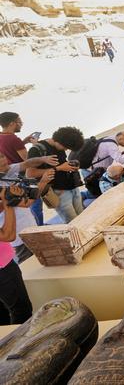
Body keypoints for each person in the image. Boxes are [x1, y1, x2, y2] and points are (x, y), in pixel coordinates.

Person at [0, 153, 57, 263]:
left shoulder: (7, 170)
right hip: (19, 238)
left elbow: (27, 163)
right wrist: (43, 181)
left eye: (2, 156)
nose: (4, 160)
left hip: (30, 228)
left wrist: (43, 159)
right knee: (30, 267)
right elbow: (27, 203)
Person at [26, 127, 85, 223]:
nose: (66, 150)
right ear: (59, 140)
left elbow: (62, 163)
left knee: (83, 217)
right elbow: (30, 173)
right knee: (74, 223)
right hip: (59, 192)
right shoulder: (37, 150)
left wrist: (72, 165)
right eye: (65, 147)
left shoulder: (60, 144)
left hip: (72, 187)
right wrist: (59, 168)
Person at [0, 186, 33, 325]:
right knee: (21, 310)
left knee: (3, 313)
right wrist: (8, 204)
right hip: (3, 269)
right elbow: (8, 235)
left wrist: (10, 199)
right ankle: (21, 344)